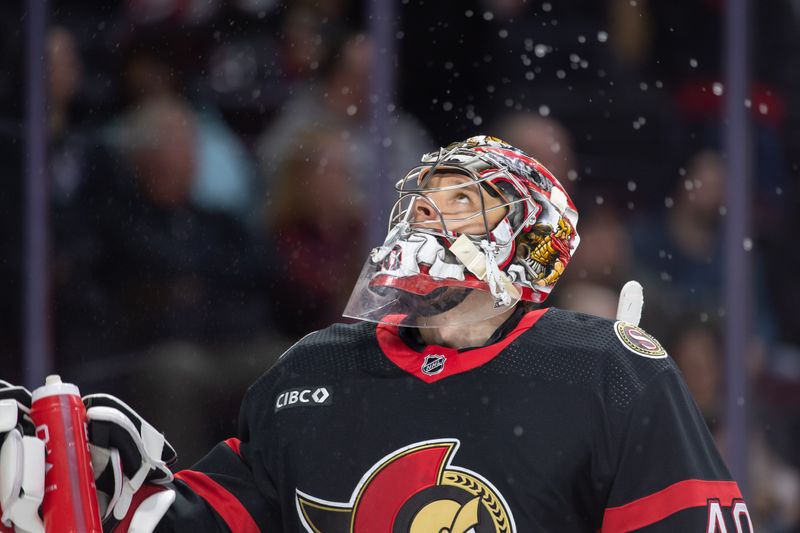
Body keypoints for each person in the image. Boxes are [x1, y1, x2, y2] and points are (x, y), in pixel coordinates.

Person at [1, 136, 751, 532]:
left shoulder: (608, 371)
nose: (426, 219)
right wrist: (118, 502)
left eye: (460, 203)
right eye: (422, 202)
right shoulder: (312, 369)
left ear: (531, 244)